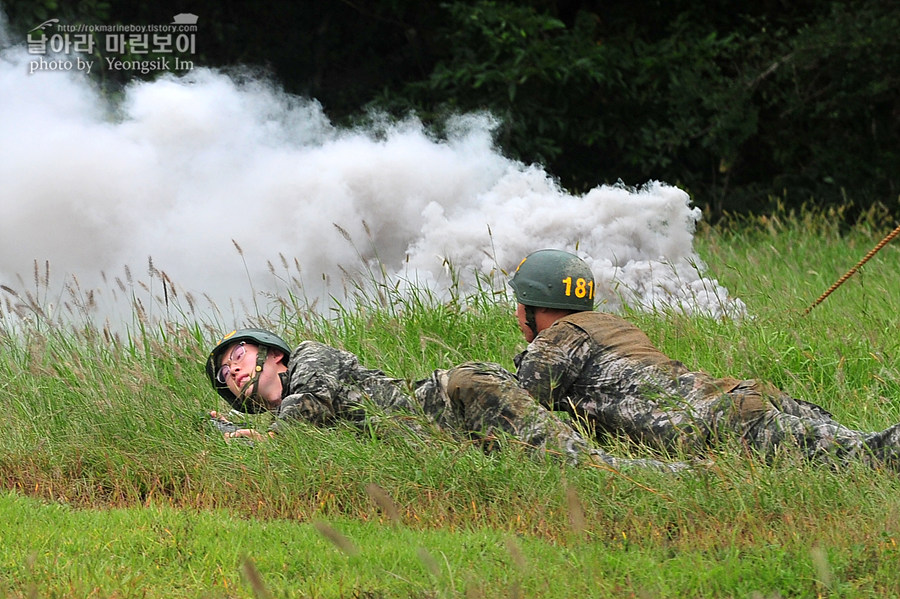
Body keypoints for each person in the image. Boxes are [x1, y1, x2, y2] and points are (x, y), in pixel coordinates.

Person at [498, 248, 900, 470]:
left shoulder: (556, 342)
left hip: (722, 424)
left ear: (536, 307)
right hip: (740, 400)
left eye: (519, 305)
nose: (517, 316)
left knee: (874, 456)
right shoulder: (610, 325)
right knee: (861, 444)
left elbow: (511, 410)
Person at [204, 328, 686, 472]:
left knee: (587, 467)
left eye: (239, 355)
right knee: (566, 468)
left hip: (462, 396)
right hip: (461, 440)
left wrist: (255, 438)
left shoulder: (311, 359)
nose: (233, 369)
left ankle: (699, 474)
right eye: (226, 372)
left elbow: (305, 412)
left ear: (274, 356)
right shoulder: (286, 414)